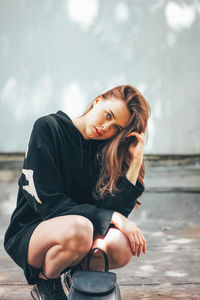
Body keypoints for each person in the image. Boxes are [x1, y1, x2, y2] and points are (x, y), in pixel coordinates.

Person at [4, 84, 151, 300]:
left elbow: (111, 214)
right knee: (81, 229)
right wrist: (111, 217)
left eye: (116, 128)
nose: (106, 127)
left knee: (122, 244)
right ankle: (46, 283)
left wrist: (135, 162)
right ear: (98, 101)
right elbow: (50, 205)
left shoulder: (104, 152)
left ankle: (81, 279)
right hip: (33, 233)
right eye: (108, 115)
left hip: (78, 235)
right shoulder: (48, 128)